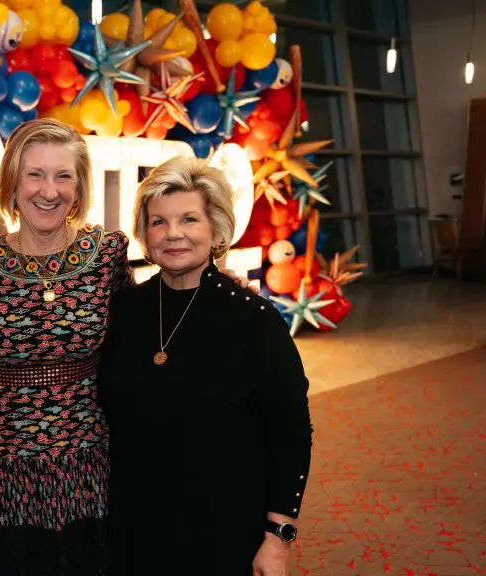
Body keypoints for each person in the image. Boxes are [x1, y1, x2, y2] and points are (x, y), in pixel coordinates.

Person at [0, 118, 251, 575]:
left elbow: (146, 320)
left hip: (89, 467)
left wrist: (210, 285)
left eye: (63, 175)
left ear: (80, 186)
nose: (49, 190)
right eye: (35, 174)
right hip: (2, 472)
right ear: (12, 180)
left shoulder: (104, 252)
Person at [99, 156, 314, 575]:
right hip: (133, 530)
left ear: (216, 229)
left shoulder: (253, 318)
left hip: (223, 531)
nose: (173, 233)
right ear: (145, 233)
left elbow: (291, 433)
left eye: (189, 219)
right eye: (158, 221)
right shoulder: (125, 309)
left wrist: (278, 539)